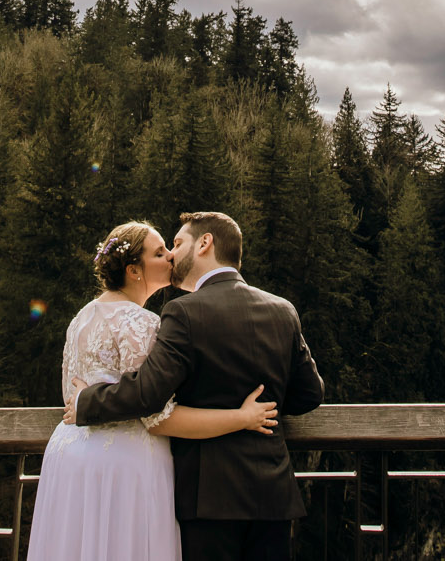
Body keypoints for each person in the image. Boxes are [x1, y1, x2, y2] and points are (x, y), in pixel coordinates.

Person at [67, 211, 325, 561]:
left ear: (205, 243)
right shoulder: (283, 310)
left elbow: (148, 393)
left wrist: (87, 403)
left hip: (208, 500)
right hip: (273, 495)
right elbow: (311, 394)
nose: (172, 255)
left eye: (177, 243)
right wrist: (265, 404)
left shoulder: (183, 312)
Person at [25, 221, 282, 561]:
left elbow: (71, 396)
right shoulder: (141, 322)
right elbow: (157, 418)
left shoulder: (81, 318)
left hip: (69, 457)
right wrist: (241, 417)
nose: (172, 256)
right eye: (160, 252)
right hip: (124, 467)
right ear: (134, 270)